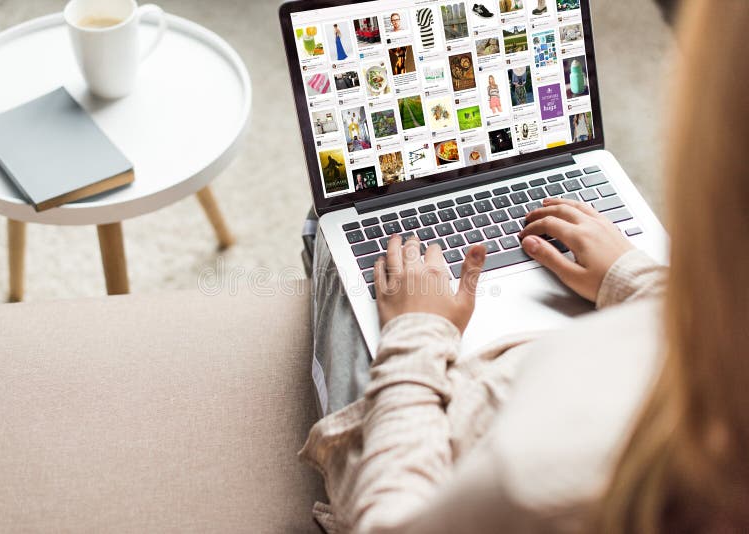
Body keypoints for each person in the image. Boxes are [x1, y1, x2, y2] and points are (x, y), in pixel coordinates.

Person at [301, 0, 749, 532]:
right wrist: (636, 280)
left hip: (441, 422)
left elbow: (392, 519)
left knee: (338, 229)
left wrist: (416, 335)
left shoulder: (536, 486)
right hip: (588, 345)